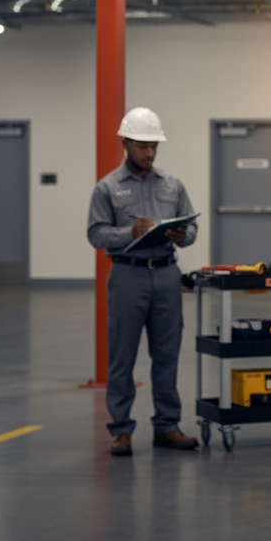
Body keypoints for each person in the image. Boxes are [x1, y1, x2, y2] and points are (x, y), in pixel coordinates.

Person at [87, 107, 200, 456]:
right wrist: (127, 232)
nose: (149, 153)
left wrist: (182, 234)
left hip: (166, 274)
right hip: (127, 275)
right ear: (126, 144)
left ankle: (167, 426)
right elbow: (95, 234)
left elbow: (193, 230)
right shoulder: (107, 188)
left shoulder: (172, 184)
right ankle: (121, 430)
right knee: (122, 356)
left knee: (167, 354)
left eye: (154, 146)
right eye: (142, 146)